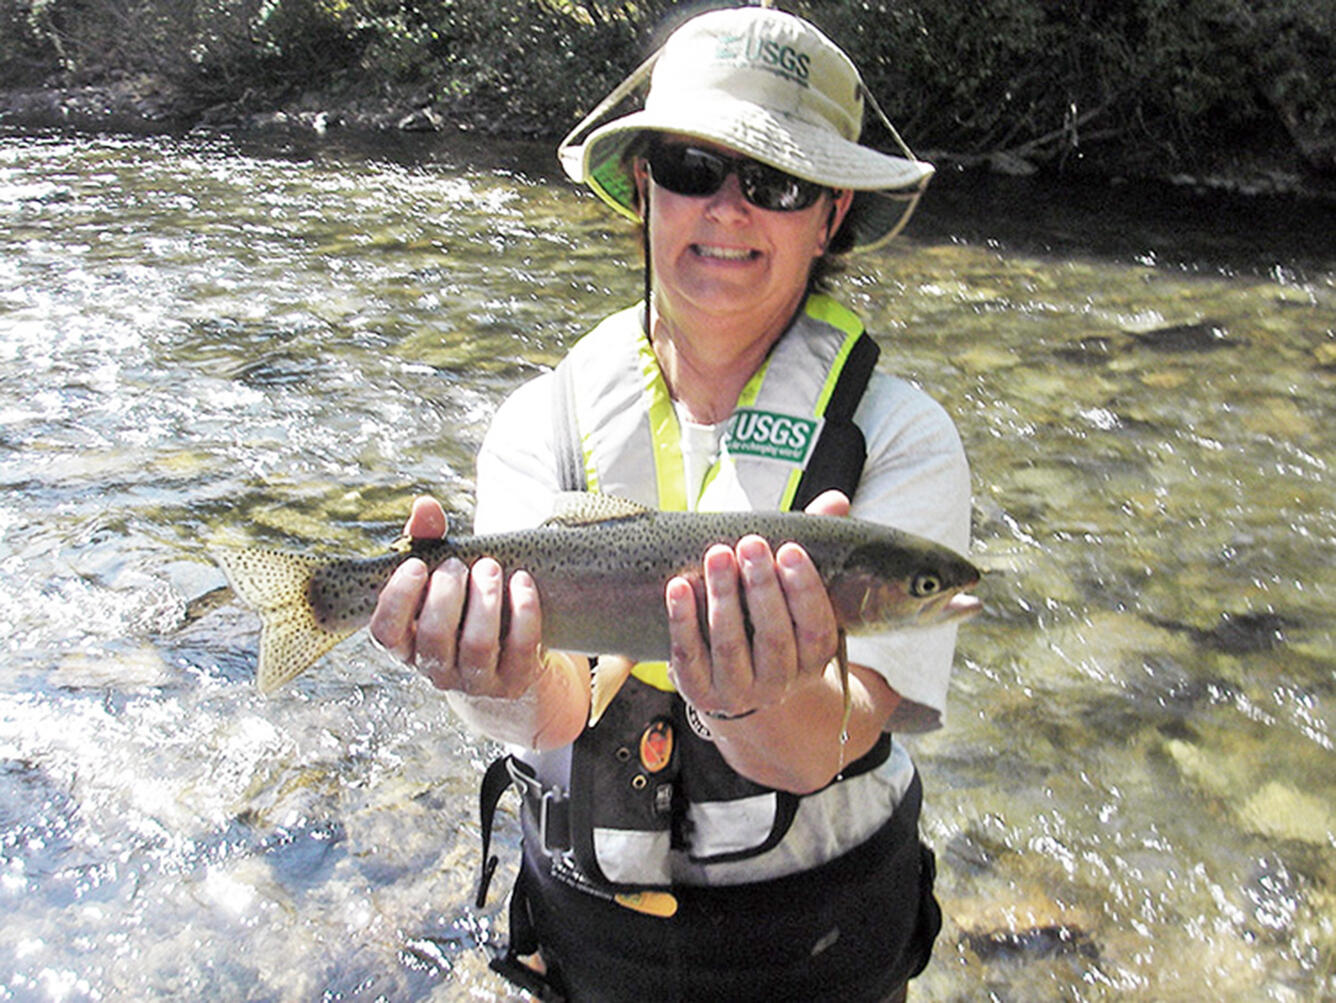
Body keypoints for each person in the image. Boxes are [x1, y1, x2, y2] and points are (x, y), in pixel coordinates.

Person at [370, 5, 971, 1000]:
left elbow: (846, 731)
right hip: (591, 949)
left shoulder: (900, 440)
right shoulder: (542, 421)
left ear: (828, 215)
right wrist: (481, 674)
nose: (728, 209)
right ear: (644, 187)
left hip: (821, 950)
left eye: (774, 182)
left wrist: (756, 694)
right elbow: (554, 707)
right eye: (694, 167)